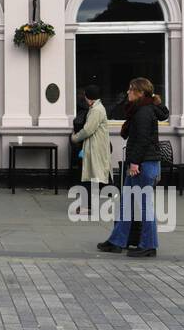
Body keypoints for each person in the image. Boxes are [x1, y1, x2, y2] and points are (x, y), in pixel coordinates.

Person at [97, 78, 169, 257]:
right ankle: (117, 241)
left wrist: (135, 163)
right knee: (126, 203)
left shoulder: (144, 111)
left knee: (144, 205)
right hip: (140, 162)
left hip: (143, 164)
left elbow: (142, 139)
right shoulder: (139, 109)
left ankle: (149, 245)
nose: (128, 92)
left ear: (140, 93)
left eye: (131, 90)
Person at [71, 84, 110, 216]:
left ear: (88, 98)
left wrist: (75, 138)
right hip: (95, 147)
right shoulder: (96, 108)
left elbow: (88, 130)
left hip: (95, 148)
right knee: (92, 176)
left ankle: (87, 207)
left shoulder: (96, 110)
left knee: (90, 176)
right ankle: (88, 206)